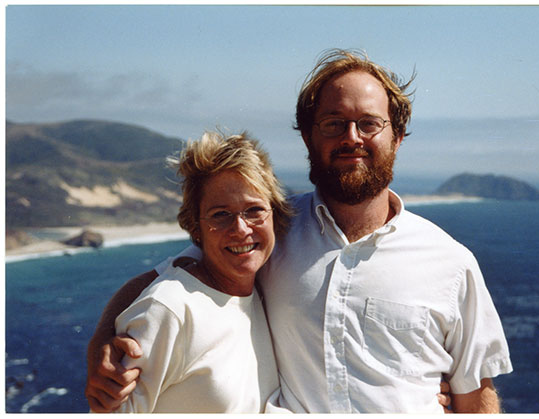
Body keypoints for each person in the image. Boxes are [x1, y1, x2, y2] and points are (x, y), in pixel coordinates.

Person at [86, 48, 512, 413]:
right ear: (308, 138)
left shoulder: (451, 263)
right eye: (333, 123)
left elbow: (477, 394)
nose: (352, 137)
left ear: (397, 136)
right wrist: (104, 338)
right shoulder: (268, 230)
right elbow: (169, 278)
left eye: (369, 123)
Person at [101, 131, 293, 412]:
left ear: (274, 214)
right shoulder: (169, 310)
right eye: (220, 214)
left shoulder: (262, 291)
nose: (241, 229)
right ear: (196, 228)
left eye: (254, 210)